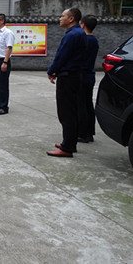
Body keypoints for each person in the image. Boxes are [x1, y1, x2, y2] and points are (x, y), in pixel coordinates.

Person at [46, 8, 87, 158]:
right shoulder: (79, 33)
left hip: (68, 77)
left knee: (66, 112)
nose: (60, 18)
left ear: (71, 19)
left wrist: (51, 70)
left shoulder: (72, 35)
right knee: (71, 111)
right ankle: (69, 142)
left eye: (63, 16)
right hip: (73, 75)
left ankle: (67, 147)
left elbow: (61, 56)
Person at [78, 15, 99, 143]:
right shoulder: (94, 40)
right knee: (88, 103)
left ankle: (82, 133)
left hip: (81, 74)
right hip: (90, 74)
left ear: (83, 25)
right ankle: (90, 132)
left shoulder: (84, 40)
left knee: (80, 104)